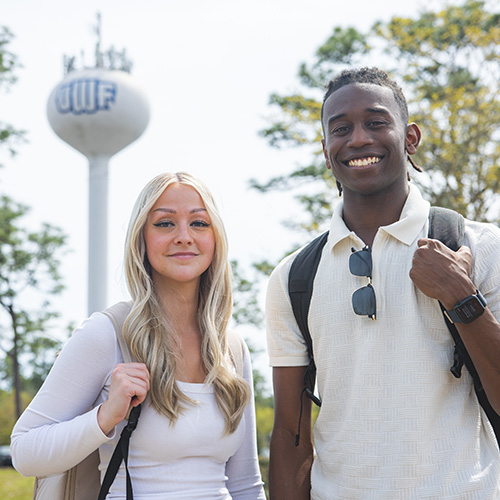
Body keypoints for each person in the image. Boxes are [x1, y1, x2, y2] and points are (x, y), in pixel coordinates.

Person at [266, 67, 500, 499]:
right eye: (341, 129)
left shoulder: (478, 246)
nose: (358, 139)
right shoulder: (294, 277)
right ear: (325, 150)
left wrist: (460, 296)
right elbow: (290, 437)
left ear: (410, 137)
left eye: (376, 122)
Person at [11, 171, 266, 499]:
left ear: (216, 238)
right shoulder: (107, 334)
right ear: (141, 239)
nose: (184, 236)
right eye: (164, 223)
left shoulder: (230, 347)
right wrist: (104, 418)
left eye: (199, 223)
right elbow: (24, 452)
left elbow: (246, 484)